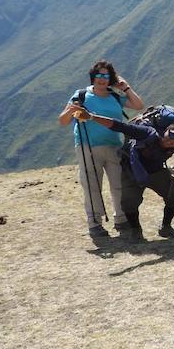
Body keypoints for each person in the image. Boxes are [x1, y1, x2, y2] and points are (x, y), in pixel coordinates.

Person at [65, 105, 174, 241]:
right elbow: (118, 126)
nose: (171, 140)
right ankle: (135, 230)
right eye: (170, 134)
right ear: (166, 129)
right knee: (129, 202)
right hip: (132, 169)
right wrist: (91, 117)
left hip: (155, 171)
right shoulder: (147, 133)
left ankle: (166, 227)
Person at [57, 60, 144, 237]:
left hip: (114, 146)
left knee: (118, 185)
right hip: (87, 145)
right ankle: (94, 223)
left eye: (106, 76)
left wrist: (126, 88)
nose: (102, 79)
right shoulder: (80, 96)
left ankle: (121, 219)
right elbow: (63, 121)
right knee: (92, 185)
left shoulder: (115, 96)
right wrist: (71, 110)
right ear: (93, 77)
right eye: (99, 75)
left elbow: (138, 105)